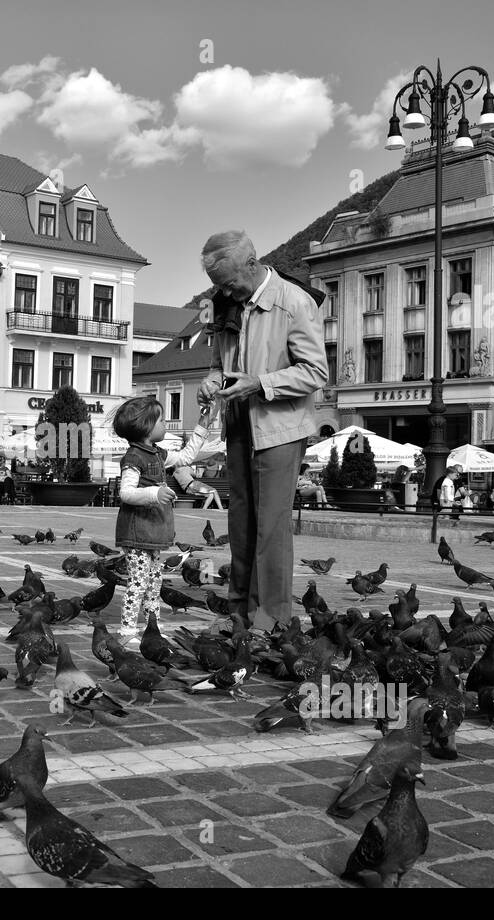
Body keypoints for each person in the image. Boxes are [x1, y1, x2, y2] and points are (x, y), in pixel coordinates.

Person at [197, 230, 329, 635]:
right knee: (240, 524)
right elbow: (222, 362)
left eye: (229, 281)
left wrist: (259, 383)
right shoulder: (228, 303)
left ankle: (271, 619)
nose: (224, 291)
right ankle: (239, 613)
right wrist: (213, 378)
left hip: (279, 429)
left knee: (270, 527)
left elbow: (316, 372)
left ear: (252, 265)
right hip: (238, 422)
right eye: (217, 284)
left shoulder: (293, 302)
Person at [113, 396, 213, 644]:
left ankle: (152, 629)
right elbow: (125, 493)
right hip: (137, 532)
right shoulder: (134, 457)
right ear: (145, 426)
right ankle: (127, 632)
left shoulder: (157, 453)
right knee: (138, 582)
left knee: (154, 582)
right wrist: (154, 493)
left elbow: (185, 458)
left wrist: (202, 425)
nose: (165, 422)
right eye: (160, 419)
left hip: (154, 531)